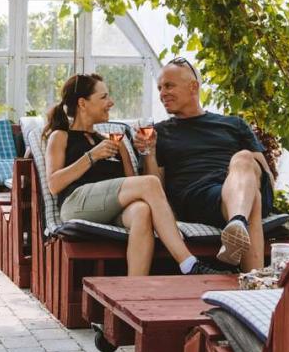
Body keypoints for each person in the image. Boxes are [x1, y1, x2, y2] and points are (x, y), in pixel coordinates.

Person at [43, 73, 230, 276]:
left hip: (109, 209)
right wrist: (92, 156)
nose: (111, 102)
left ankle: (134, 288)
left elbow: (133, 184)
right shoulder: (60, 136)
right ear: (83, 103)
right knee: (148, 183)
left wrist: (148, 150)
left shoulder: (115, 141)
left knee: (142, 210)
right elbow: (54, 184)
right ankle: (189, 263)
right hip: (75, 204)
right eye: (104, 97)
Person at [144, 58, 274, 269]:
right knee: (253, 198)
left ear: (193, 86)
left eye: (169, 85)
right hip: (198, 196)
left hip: (239, 184)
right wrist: (149, 151)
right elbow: (155, 184)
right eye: (159, 88)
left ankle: (236, 225)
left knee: (243, 159)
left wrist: (244, 176)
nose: (162, 94)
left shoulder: (234, 124)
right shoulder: (159, 132)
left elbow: (263, 170)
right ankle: (240, 230)